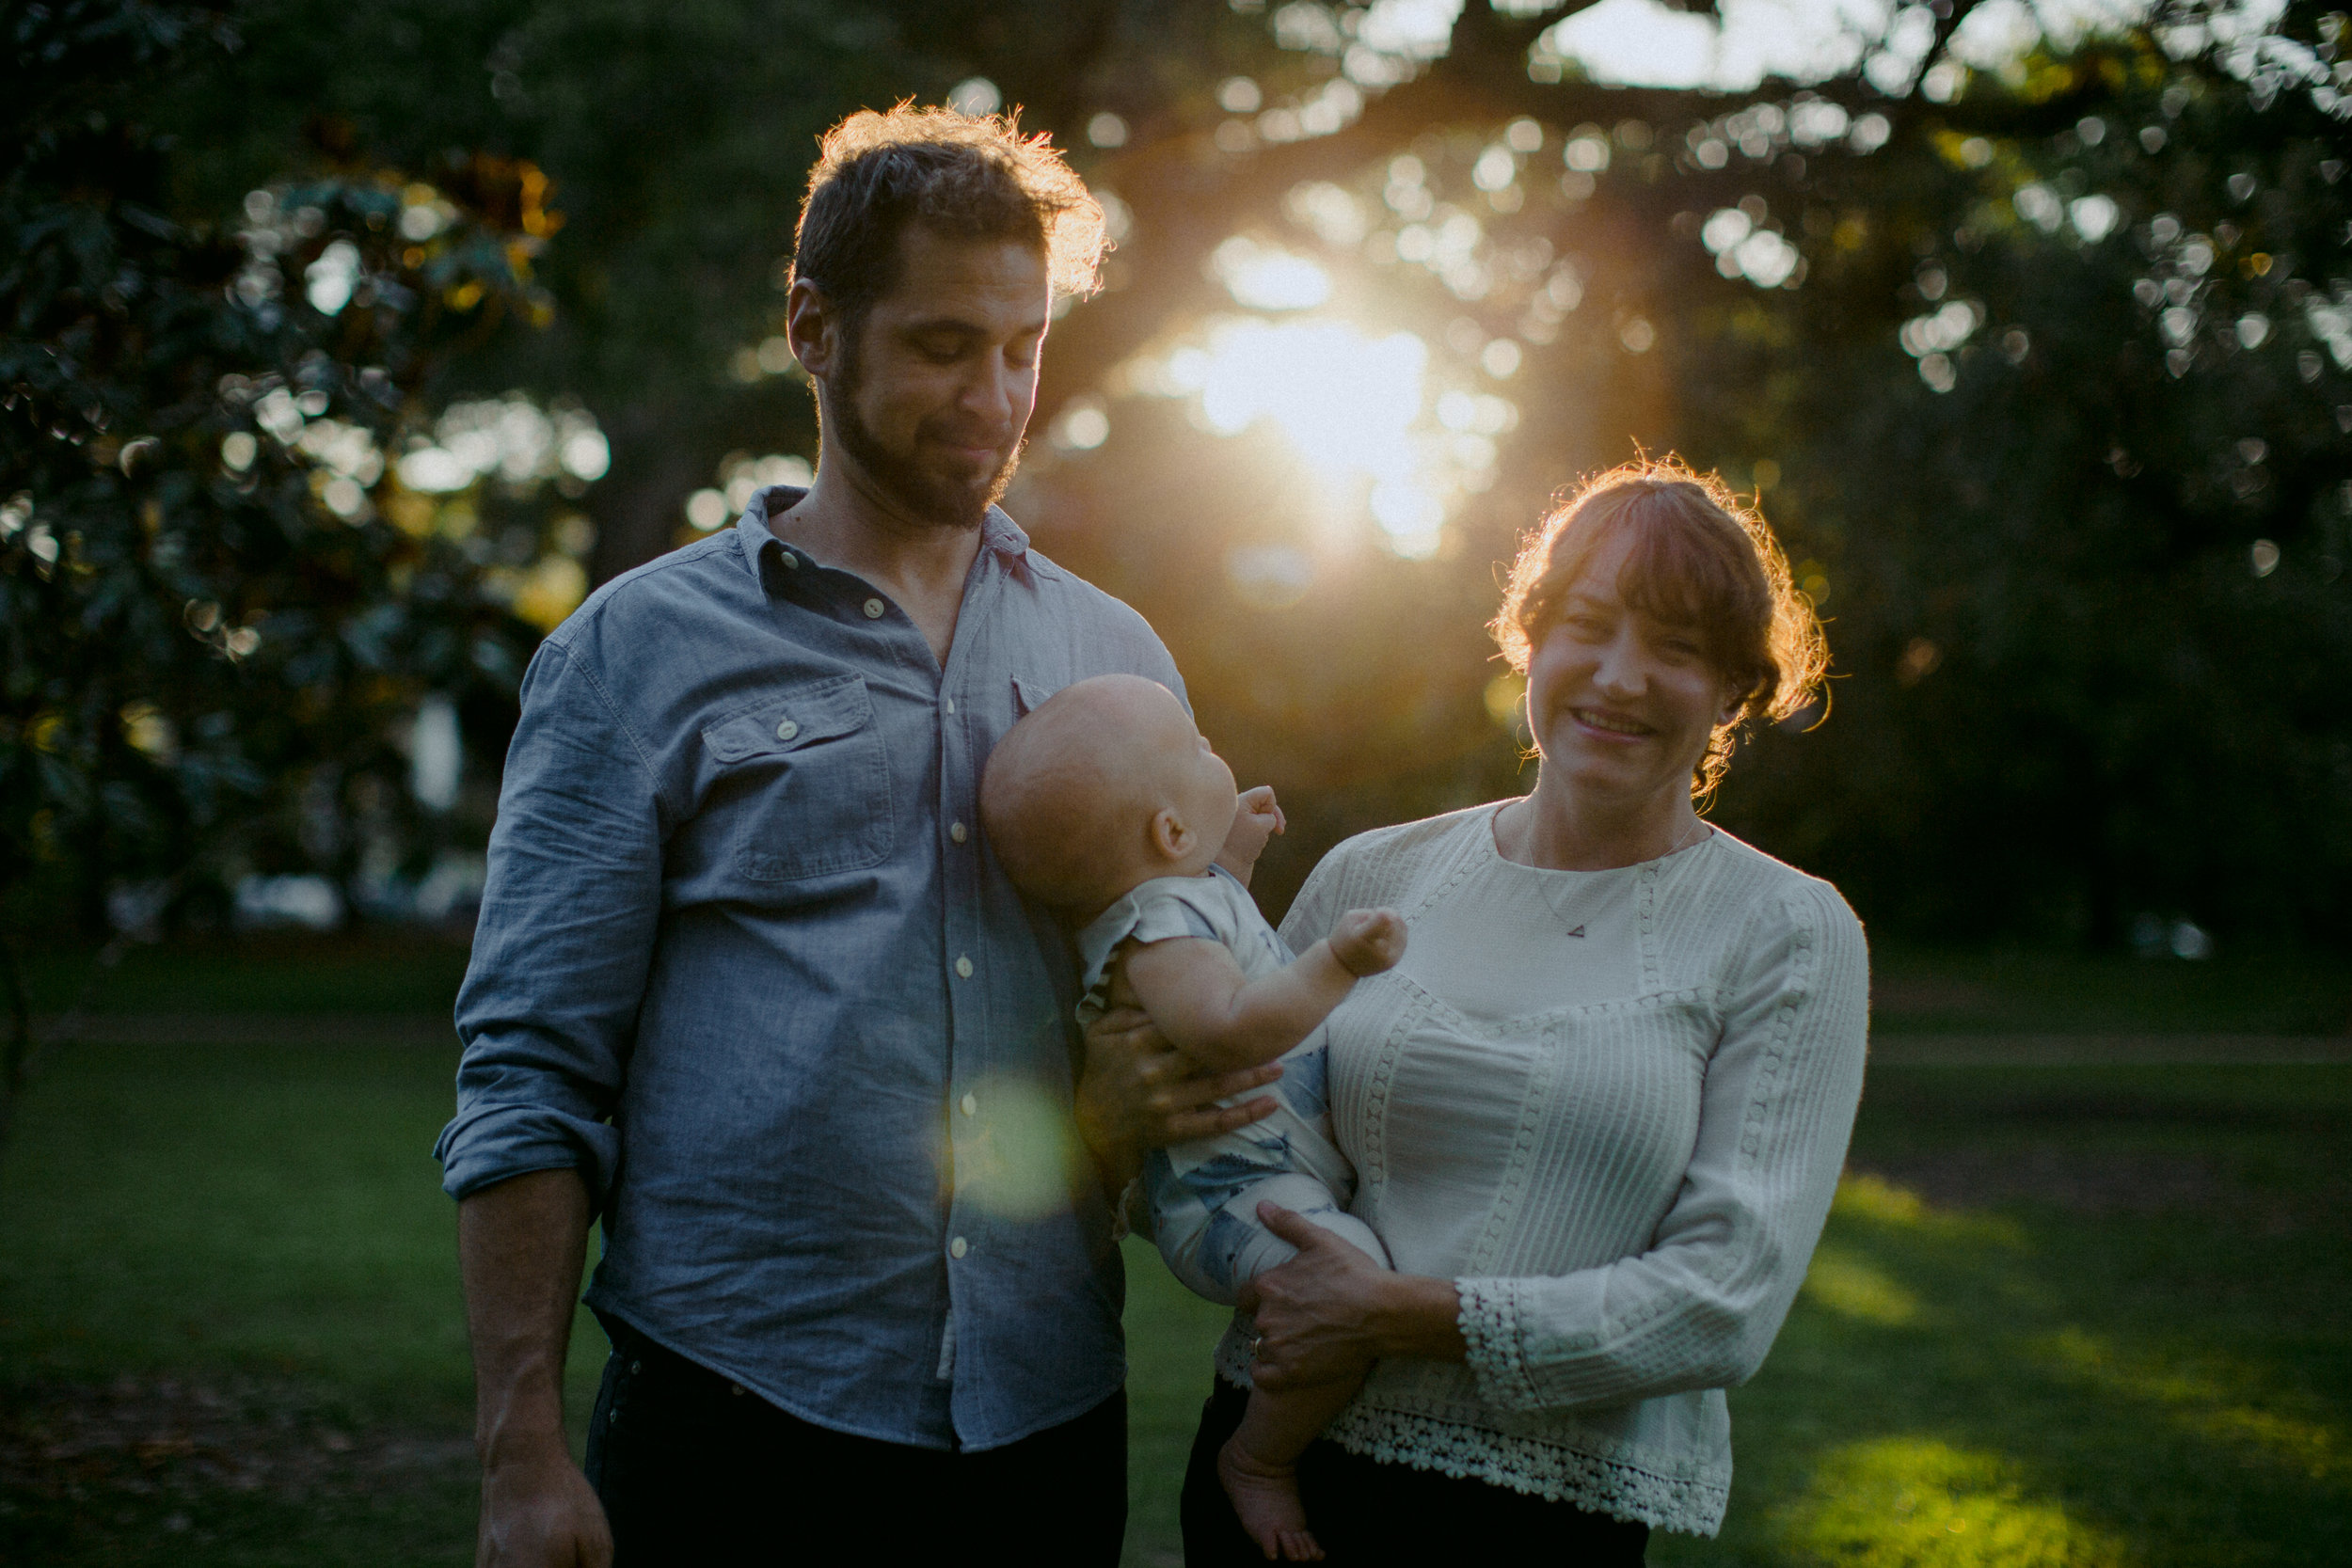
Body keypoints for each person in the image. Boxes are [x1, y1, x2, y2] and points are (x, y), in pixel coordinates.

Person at [435, 105, 1278, 1568]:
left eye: (1025, 347)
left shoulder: (1116, 655)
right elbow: (528, 1067)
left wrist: (1142, 1093)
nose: (996, 395)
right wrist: (522, 1450)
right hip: (734, 1420)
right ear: (813, 328)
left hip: (1042, 1426)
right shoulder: (637, 651)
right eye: (946, 345)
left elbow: (1160, 1002)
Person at [1111, 460, 1871, 1564]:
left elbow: (1723, 1299)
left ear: (1733, 692)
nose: (1619, 677)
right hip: (1271, 1475)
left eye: (1677, 647)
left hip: (1532, 1517)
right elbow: (1226, 1135)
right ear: (1528, 637)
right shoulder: (1377, 870)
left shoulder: (1787, 930)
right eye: (1589, 625)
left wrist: (1400, 1314)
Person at [980, 673, 1407, 1561]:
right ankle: (1258, 1456)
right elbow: (1228, 1025)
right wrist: (1336, 959)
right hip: (1227, 1199)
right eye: (1199, 748)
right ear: (1170, 832)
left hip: (1264, 1171)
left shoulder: (1183, 897)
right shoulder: (1159, 934)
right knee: (1351, 1274)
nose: (1218, 753)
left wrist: (1238, 856)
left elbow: (1224, 926)